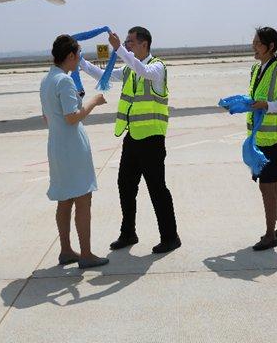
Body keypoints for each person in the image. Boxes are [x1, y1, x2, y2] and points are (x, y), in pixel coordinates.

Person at [80, 26, 181, 254]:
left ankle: (170, 236)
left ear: (144, 44)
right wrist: (82, 64)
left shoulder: (156, 68)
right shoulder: (130, 70)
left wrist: (118, 49)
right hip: (133, 138)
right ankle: (128, 233)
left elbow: (143, 70)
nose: (127, 45)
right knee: (125, 186)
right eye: (126, 42)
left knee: (157, 188)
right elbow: (105, 75)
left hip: (153, 139)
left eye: (131, 42)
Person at [40, 34, 109, 269]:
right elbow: (72, 117)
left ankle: (66, 250)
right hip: (71, 148)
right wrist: (93, 102)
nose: (79, 60)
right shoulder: (65, 81)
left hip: (57, 145)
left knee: (64, 199)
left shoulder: (48, 80)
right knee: (82, 198)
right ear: (70, 56)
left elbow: (48, 116)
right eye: (78, 56)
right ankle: (86, 254)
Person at [248, 27, 277, 251]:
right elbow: (256, 98)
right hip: (261, 138)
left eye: (258, 43)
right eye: (253, 42)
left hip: (276, 139)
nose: (254, 47)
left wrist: (267, 105)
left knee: (267, 186)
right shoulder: (257, 69)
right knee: (272, 186)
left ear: (270, 47)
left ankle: (269, 235)